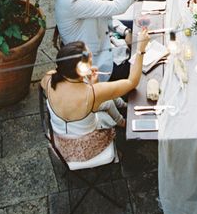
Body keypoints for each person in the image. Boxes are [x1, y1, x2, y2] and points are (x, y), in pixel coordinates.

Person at [40, 27, 151, 163]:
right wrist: (141, 50)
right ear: (80, 70)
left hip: (59, 142)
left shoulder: (49, 78)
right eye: (89, 58)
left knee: (105, 106)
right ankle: (116, 151)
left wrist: (89, 82)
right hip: (83, 149)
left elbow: (49, 85)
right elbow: (132, 82)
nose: (92, 57)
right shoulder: (91, 94)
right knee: (108, 108)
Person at [55, 0, 153, 81]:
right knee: (146, 68)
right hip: (97, 61)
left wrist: (125, 31)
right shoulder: (74, 2)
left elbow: (102, 13)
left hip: (102, 32)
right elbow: (117, 6)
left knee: (147, 26)